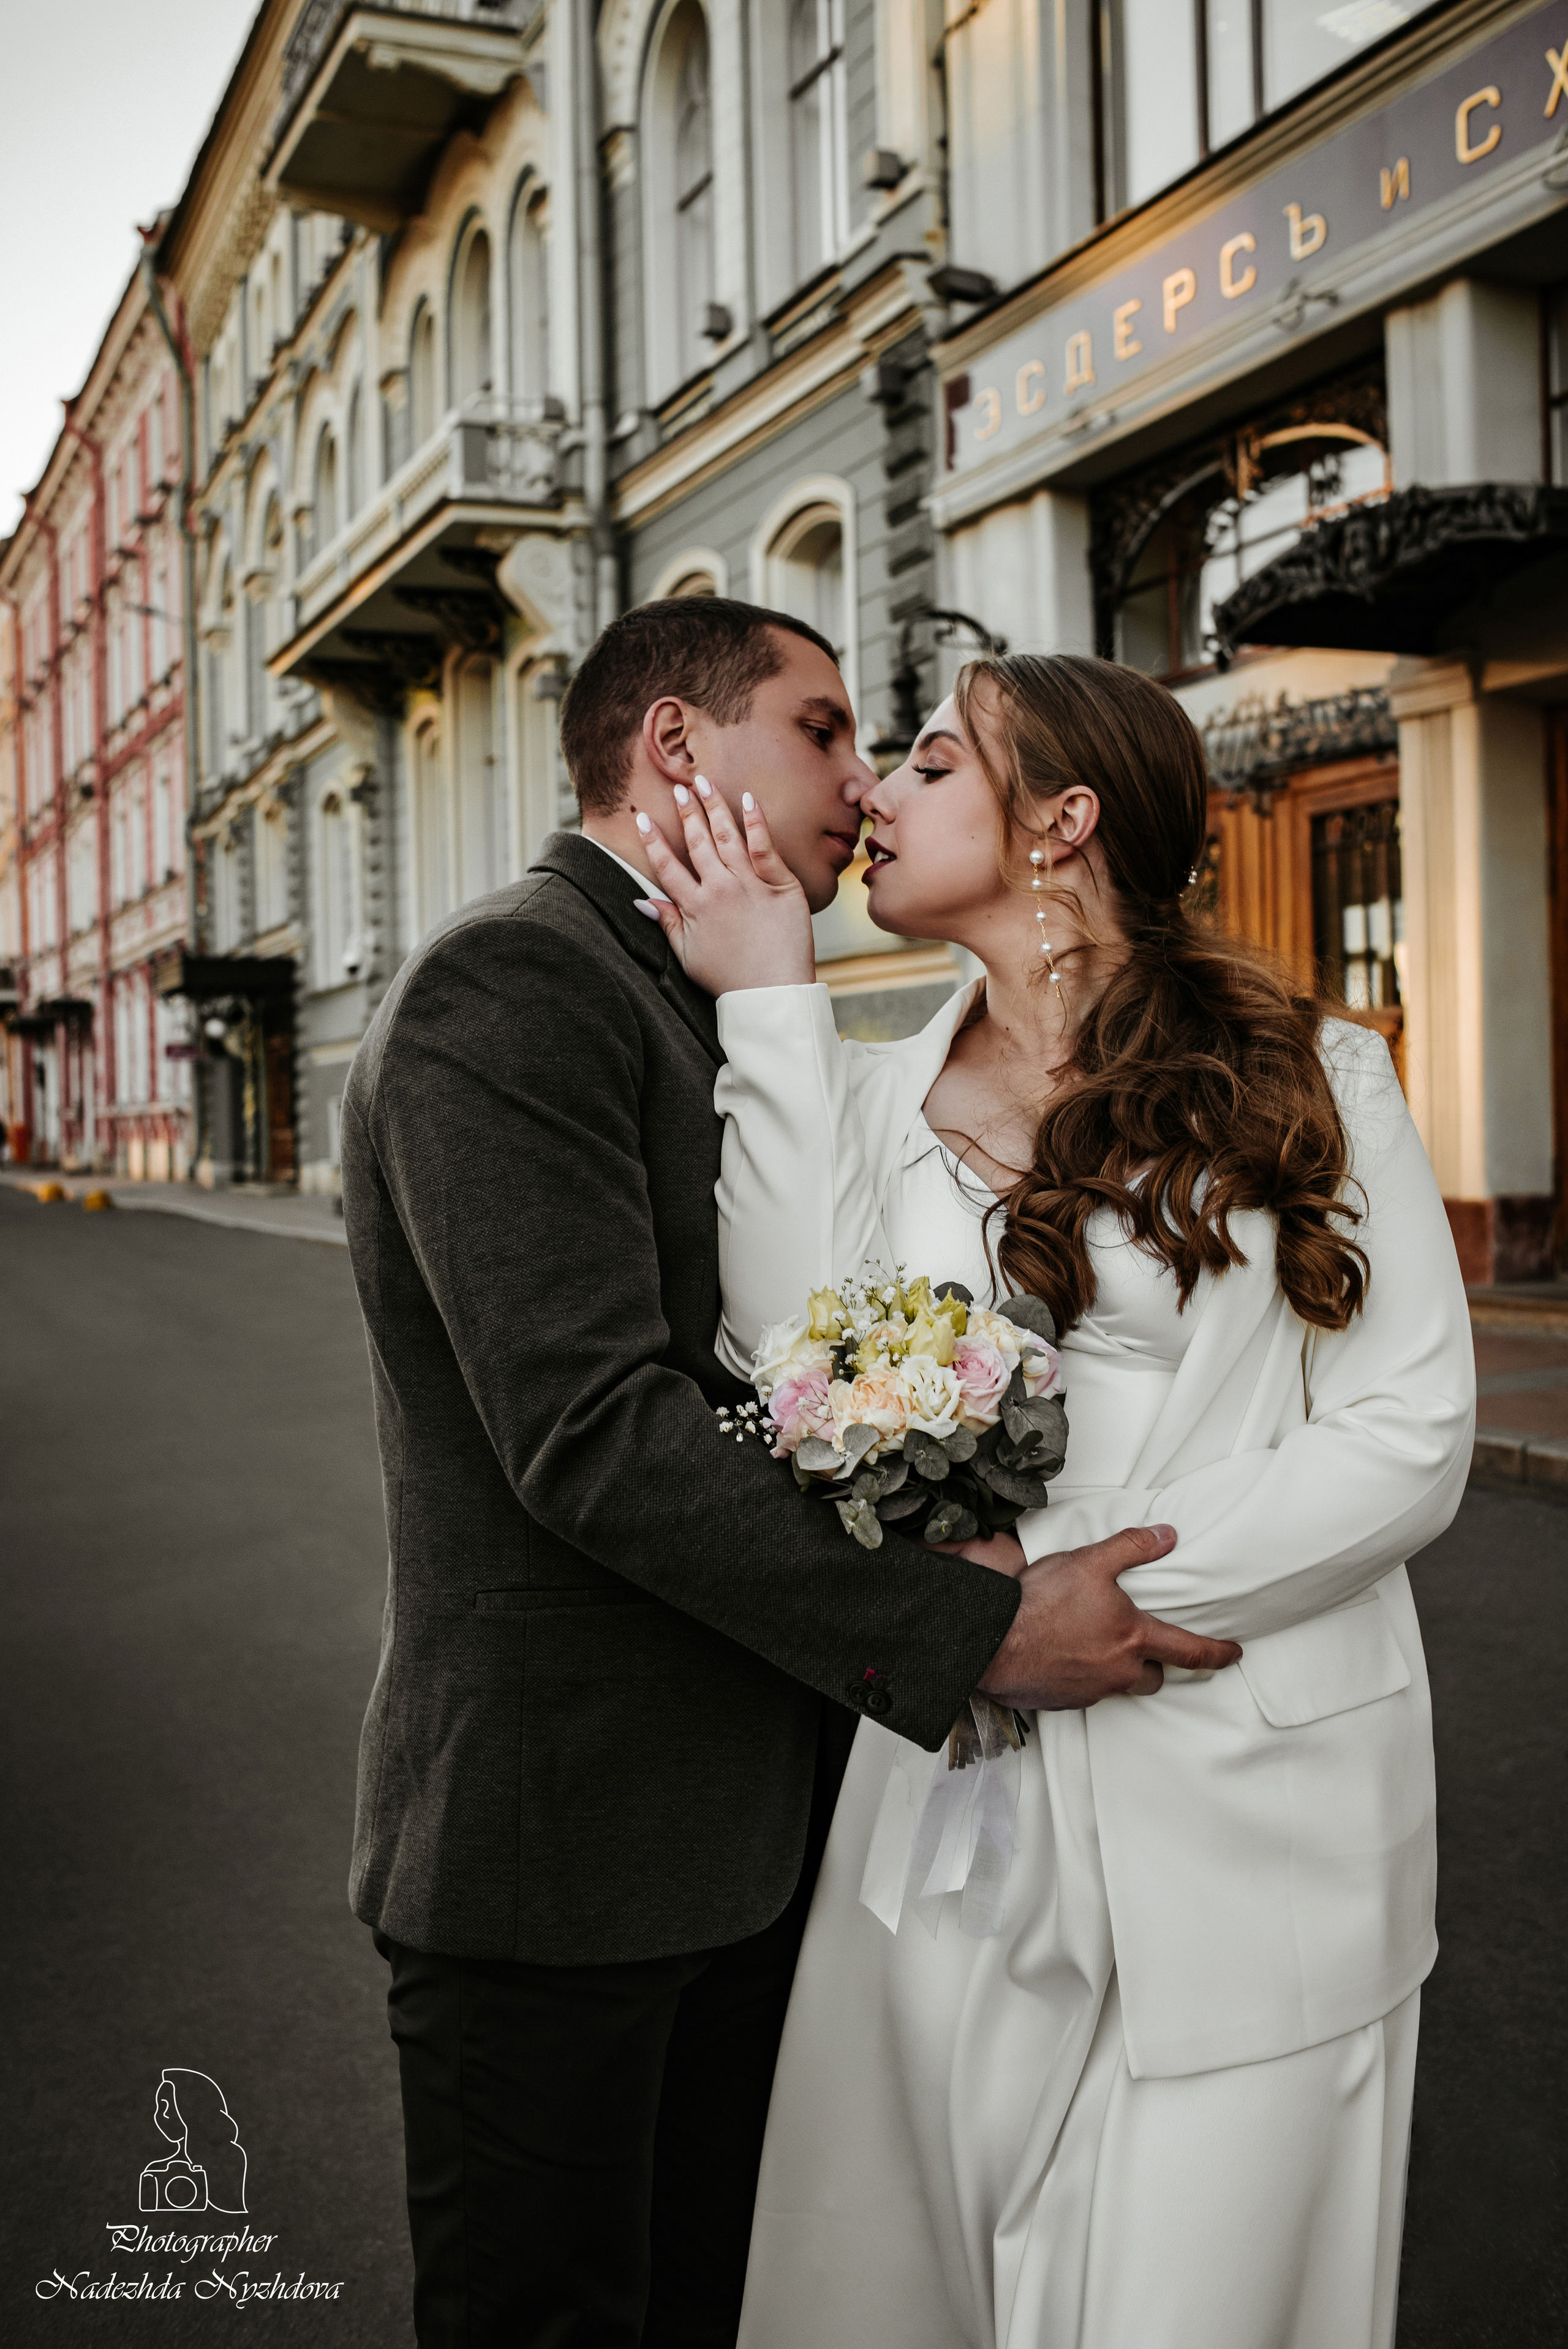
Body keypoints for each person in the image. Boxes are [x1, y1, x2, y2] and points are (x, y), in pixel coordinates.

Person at [337, 601, 1237, 2349]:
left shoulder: (697, 990)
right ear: (678, 746)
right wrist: (970, 1629)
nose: (858, 773)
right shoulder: (517, 978)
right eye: (824, 729)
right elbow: (594, 1438)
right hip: (561, 1862)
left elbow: (807, 1359)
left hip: (745, 1848)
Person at [635, 651, 1476, 2349]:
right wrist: (773, 1005)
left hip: (1258, 1792)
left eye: (931, 763)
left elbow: (1412, 1427)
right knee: (916, 2279)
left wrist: (1086, 1590)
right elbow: (787, 1352)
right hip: (955, 1808)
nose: (874, 789)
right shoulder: (866, 1097)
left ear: (1063, 821)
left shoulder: (1318, 1070)